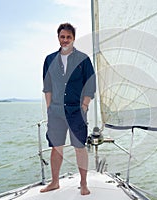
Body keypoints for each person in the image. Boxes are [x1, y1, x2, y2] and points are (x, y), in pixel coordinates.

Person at [41, 23, 96, 195]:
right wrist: (49, 108)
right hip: (56, 112)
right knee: (56, 148)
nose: (65, 40)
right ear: (58, 38)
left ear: (73, 38)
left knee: (79, 147)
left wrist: (85, 106)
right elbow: (47, 86)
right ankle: (55, 182)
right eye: (62, 37)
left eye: (68, 37)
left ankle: (84, 183)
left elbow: (91, 85)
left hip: (76, 112)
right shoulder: (49, 59)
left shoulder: (83, 59)